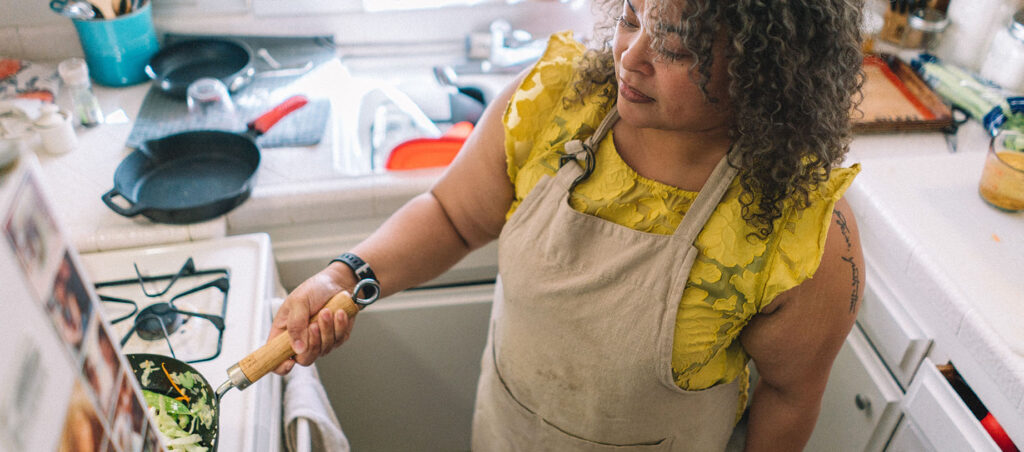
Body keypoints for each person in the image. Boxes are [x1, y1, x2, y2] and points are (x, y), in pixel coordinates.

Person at [270, 0, 865, 450]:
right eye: (632, 15)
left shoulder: (797, 229)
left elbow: (789, 396)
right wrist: (344, 278)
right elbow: (453, 216)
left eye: (677, 48)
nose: (631, 56)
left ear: (767, 68)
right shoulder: (557, 104)